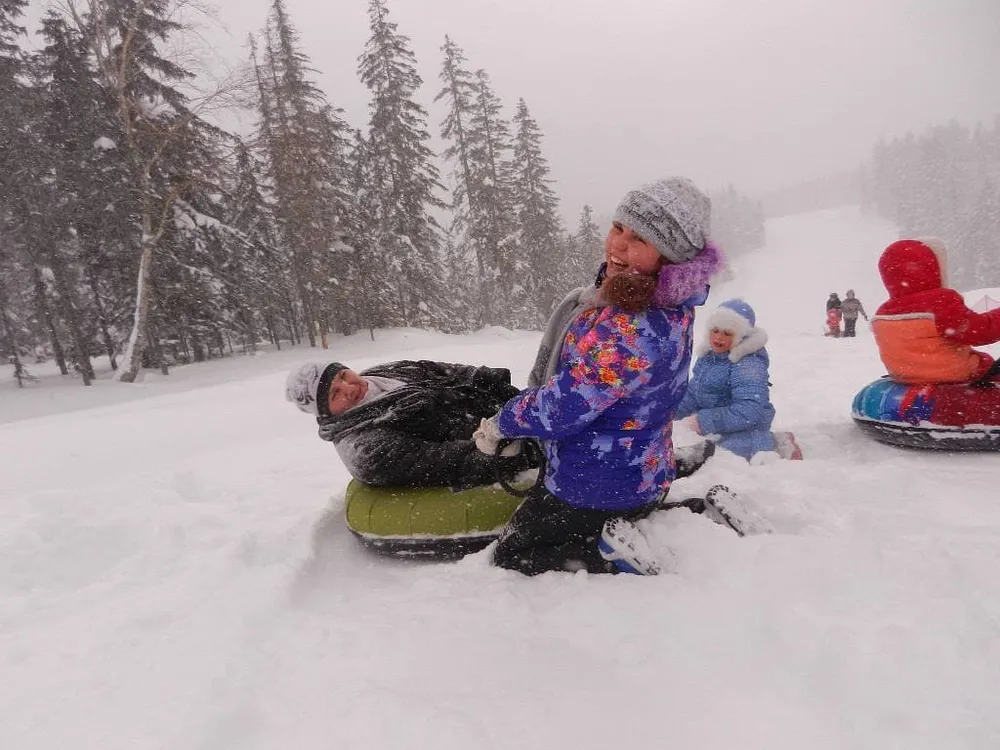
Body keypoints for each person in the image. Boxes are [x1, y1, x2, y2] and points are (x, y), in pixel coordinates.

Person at [474, 177, 725, 576]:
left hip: (593, 488)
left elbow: (561, 409)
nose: (617, 244)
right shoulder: (671, 304)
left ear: (669, 257)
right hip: (644, 473)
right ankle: (695, 515)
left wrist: (502, 424)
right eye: (618, 227)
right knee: (627, 511)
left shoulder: (630, 328)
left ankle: (612, 558)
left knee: (513, 554)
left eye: (639, 239)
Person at [285, 360, 539, 489]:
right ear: (326, 412)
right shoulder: (365, 448)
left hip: (513, 409)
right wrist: (503, 451)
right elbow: (448, 463)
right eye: (334, 394)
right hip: (513, 444)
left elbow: (435, 369)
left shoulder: (383, 373)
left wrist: (483, 377)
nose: (350, 388)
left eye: (343, 376)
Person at [674, 299, 803, 462]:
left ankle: (775, 443)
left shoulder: (748, 363)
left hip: (746, 425)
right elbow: (694, 392)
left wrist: (702, 421)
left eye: (728, 333)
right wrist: (672, 413)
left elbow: (748, 409)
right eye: (715, 330)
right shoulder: (709, 357)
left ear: (741, 336)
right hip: (716, 420)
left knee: (719, 452)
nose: (719, 338)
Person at [872, 238, 1000, 384]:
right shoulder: (940, 302)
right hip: (955, 374)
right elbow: (981, 331)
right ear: (933, 269)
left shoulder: (884, 311)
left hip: (907, 378)